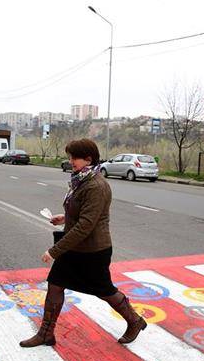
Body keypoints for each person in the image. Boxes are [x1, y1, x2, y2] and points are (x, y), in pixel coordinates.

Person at [20, 139, 147, 348]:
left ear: (88, 158)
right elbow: (82, 215)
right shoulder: (81, 180)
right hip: (75, 248)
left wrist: (54, 251)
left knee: (105, 291)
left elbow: (86, 226)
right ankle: (46, 334)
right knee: (55, 285)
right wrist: (64, 217)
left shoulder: (96, 185)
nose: (70, 161)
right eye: (69, 157)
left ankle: (134, 321)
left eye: (74, 157)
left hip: (93, 251)